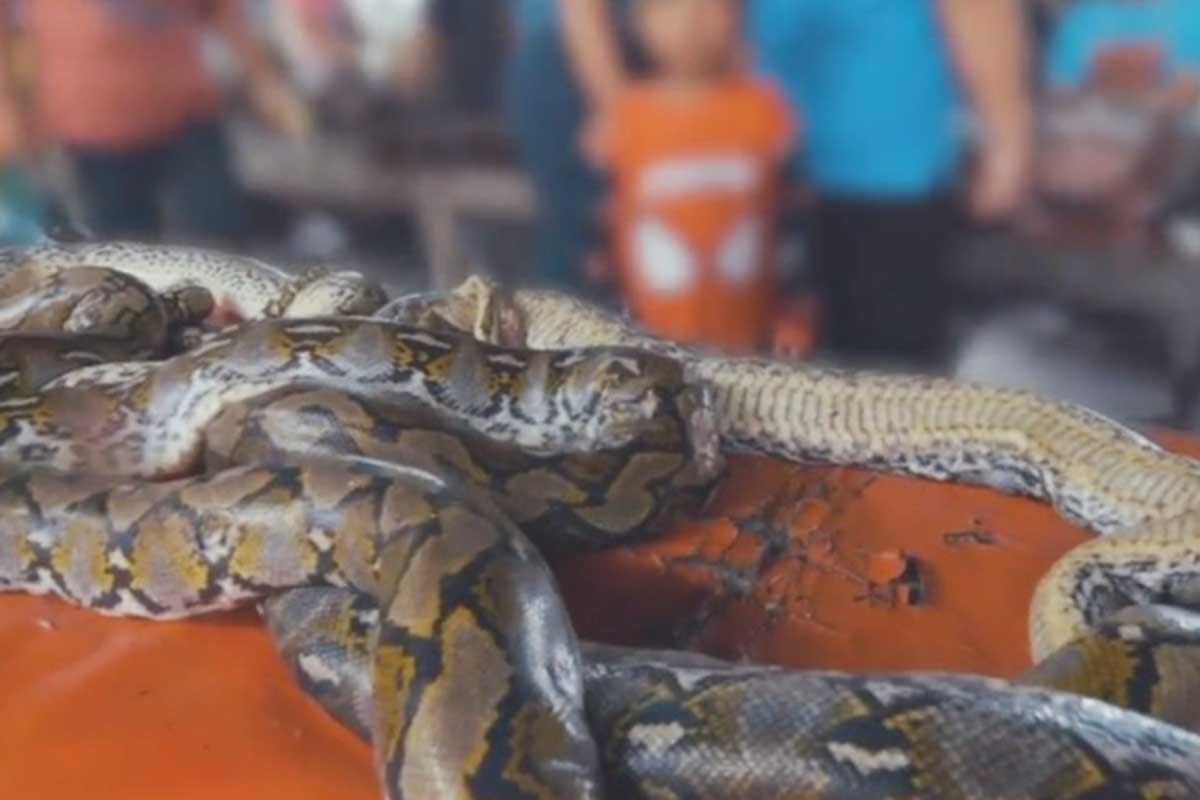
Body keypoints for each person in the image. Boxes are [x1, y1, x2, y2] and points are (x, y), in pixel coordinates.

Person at [507, 0, 1033, 365]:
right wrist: (622, 114)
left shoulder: (779, 120)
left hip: (882, 168)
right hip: (753, 168)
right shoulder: (675, 116)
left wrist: (1008, 132)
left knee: (889, 392)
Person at [0, 0, 311, 245]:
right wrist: (8, 108)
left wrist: (265, 80)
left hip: (189, 120)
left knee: (219, 243)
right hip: (92, 134)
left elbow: (225, 12)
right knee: (120, 258)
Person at [584, 0, 796, 353]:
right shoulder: (625, 120)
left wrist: (795, 321)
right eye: (669, 7)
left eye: (711, 6)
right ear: (639, 21)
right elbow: (599, 242)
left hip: (749, 345)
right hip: (649, 349)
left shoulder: (765, 109)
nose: (691, 22)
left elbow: (792, 222)